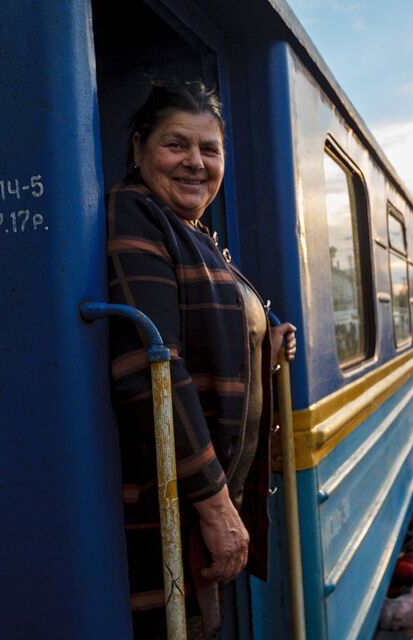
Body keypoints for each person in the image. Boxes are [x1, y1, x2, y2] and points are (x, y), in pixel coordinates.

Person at [107, 80, 297, 637]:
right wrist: (216, 508)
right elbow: (152, 369)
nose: (195, 162)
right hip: (175, 511)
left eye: (209, 150)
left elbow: (211, 336)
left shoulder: (198, 235)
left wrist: (267, 341)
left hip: (199, 506)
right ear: (140, 149)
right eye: (176, 145)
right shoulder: (136, 214)